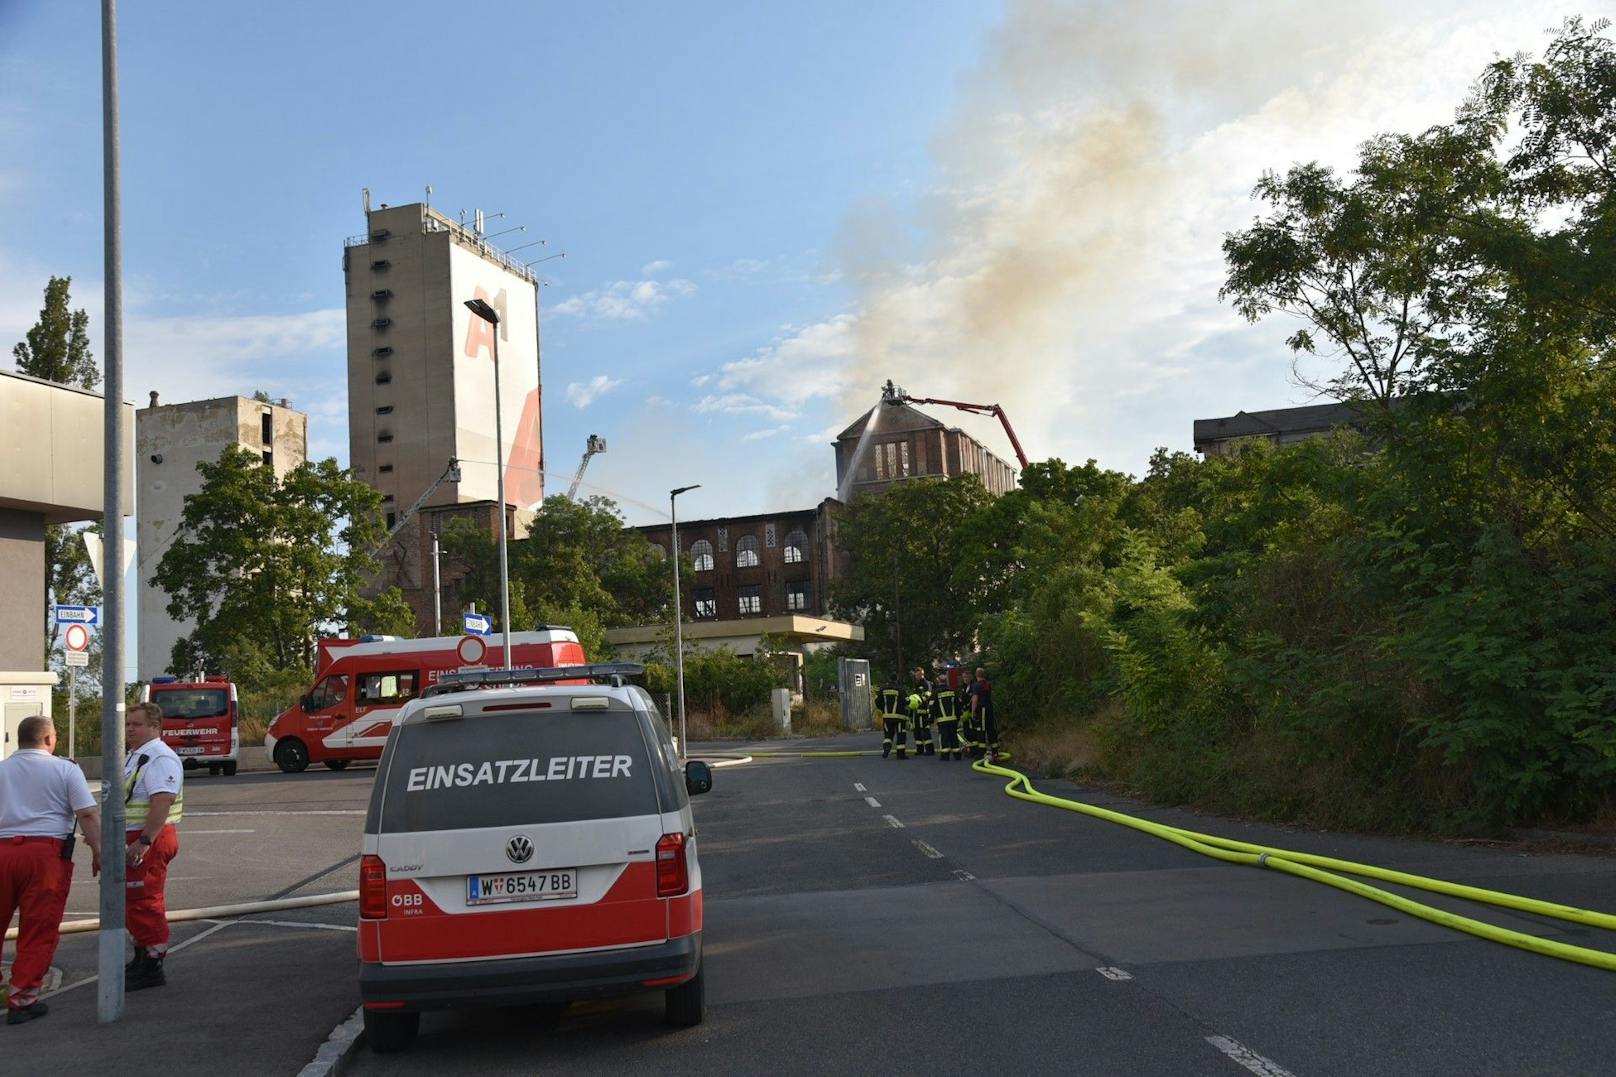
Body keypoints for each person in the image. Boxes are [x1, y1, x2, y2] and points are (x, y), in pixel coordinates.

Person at [0, 716, 101, 1024]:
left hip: (2, 850)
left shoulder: (1, 769)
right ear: (48, 739)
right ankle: (23, 998)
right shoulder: (65, 769)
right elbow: (86, 813)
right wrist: (99, 851)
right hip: (45, 854)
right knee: (38, 928)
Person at [122, 701, 183, 990]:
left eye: (137, 724)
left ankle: (152, 964)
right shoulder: (137, 755)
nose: (129, 729)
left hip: (150, 839)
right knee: (134, 902)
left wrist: (144, 841)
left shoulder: (158, 757)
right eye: (128, 724)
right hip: (139, 837)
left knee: (145, 901)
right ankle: (141, 956)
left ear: (155, 727)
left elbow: (162, 800)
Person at [971, 667, 1000, 761]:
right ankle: (995, 751)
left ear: (976, 675)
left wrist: (973, 711)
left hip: (981, 710)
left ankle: (981, 753)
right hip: (989, 709)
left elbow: (975, 700)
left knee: (981, 731)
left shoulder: (976, 685)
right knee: (991, 729)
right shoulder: (988, 684)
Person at [876, 677, 907, 760]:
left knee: (888, 735)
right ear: (897, 680)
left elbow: (877, 702)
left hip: (887, 717)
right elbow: (905, 701)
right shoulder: (900, 689)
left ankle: (887, 747)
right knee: (901, 735)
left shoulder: (883, 689)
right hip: (899, 717)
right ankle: (900, 755)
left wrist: (883, 710)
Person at [934, 676, 963, 761]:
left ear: (939, 681)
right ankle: (957, 755)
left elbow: (932, 706)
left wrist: (931, 718)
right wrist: (958, 717)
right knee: (953, 736)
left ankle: (945, 756)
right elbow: (958, 705)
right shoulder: (952, 691)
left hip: (942, 720)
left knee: (944, 737)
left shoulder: (936, 692)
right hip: (953, 719)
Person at [909, 667, 935, 756]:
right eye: (916, 674)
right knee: (916, 732)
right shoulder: (916, 684)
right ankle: (919, 749)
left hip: (924, 711)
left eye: (919, 674)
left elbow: (928, 695)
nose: (917, 676)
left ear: (922, 674)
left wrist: (919, 700)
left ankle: (929, 750)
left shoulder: (926, 684)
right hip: (916, 712)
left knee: (925, 731)